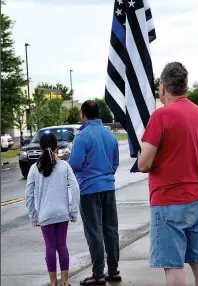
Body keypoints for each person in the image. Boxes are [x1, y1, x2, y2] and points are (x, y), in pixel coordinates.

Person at [138, 62, 198, 286]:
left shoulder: (161, 116)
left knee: (173, 267)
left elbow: (144, 163)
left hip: (169, 201)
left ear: (163, 88)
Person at [69, 100, 121, 286]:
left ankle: (98, 273)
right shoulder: (109, 135)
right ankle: (113, 271)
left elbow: (74, 164)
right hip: (108, 186)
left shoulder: (82, 136)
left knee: (94, 231)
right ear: (98, 114)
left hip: (89, 189)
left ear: (83, 115)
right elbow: (115, 162)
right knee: (111, 229)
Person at [25, 132, 80, 286]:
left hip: (45, 215)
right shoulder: (64, 166)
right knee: (62, 245)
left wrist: (33, 215)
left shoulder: (34, 169)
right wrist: (73, 210)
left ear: (40, 148)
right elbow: (75, 188)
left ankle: (53, 282)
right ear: (56, 147)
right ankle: (65, 281)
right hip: (62, 213)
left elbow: (28, 195)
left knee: (50, 246)